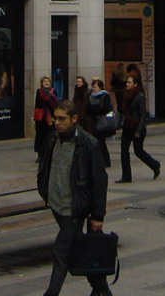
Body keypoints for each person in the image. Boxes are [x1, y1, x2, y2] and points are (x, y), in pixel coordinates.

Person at [37, 99, 112, 296]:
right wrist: (43, 189)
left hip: (74, 208)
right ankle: (101, 289)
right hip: (57, 205)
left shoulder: (88, 144)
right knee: (79, 249)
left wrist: (98, 214)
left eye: (62, 119)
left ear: (74, 119)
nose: (57, 122)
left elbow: (100, 181)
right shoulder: (52, 139)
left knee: (61, 252)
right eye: (55, 118)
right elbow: (45, 166)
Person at [116, 76, 160, 183]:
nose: (127, 84)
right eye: (127, 82)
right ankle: (126, 176)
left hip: (136, 127)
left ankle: (154, 165)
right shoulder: (125, 95)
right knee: (124, 150)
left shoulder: (140, 96)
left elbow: (142, 115)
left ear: (135, 84)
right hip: (127, 126)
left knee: (138, 151)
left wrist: (139, 130)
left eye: (130, 82)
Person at [87, 78, 114, 167]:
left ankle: (105, 161)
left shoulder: (104, 95)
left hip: (102, 121)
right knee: (98, 141)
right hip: (94, 121)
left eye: (95, 86)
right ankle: (101, 160)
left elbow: (106, 108)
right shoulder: (90, 96)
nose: (93, 88)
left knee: (101, 141)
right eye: (93, 86)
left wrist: (95, 111)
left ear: (100, 87)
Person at [34, 76, 59, 164]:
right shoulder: (39, 91)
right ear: (42, 83)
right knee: (40, 135)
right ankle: (40, 154)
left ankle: (49, 153)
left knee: (50, 135)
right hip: (41, 117)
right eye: (45, 81)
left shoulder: (53, 91)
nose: (46, 83)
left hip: (49, 117)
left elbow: (55, 103)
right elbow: (37, 104)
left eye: (48, 81)